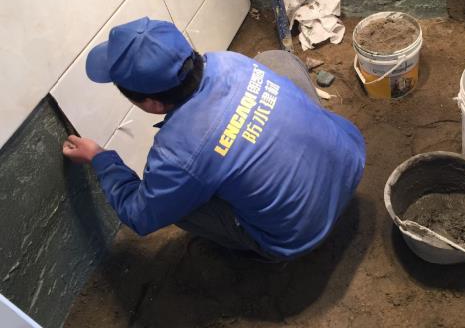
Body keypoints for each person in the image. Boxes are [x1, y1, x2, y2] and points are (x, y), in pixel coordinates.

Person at [63, 17, 365, 261]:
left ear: (152, 104)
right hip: (351, 161)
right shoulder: (228, 61)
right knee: (275, 60)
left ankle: (262, 249)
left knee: (177, 204)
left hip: (299, 235)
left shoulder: (177, 154)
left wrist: (101, 159)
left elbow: (139, 215)